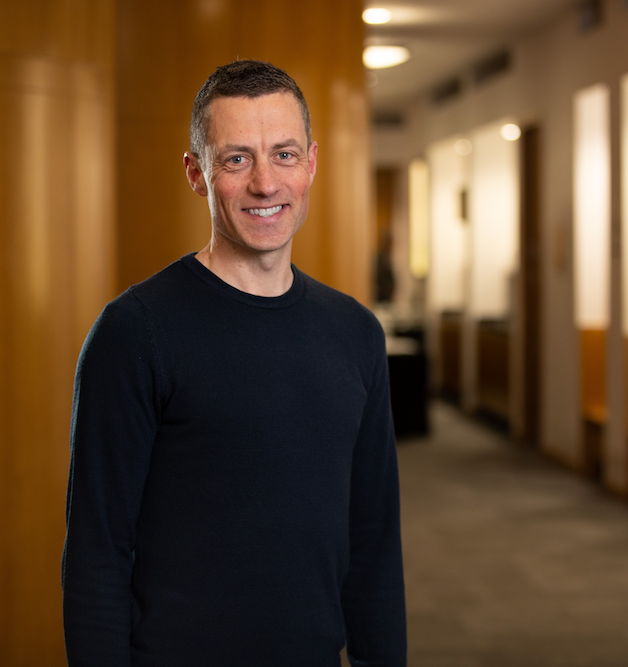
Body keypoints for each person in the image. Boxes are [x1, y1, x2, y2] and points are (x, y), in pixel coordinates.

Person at [61, 60, 407, 666]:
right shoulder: (135, 333)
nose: (266, 184)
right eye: (237, 159)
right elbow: (97, 552)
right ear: (197, 172)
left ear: (313, 164)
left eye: (285, 155)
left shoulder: (355, 334)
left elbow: (373, 545)